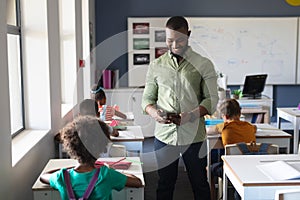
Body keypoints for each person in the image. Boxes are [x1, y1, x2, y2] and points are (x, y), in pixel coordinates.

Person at [141, 16, 219, 200]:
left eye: (180, 40)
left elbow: (212, 99)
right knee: (164, 185)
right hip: (164, 136)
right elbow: (147, 99)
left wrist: (191, 116)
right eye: (170, 40)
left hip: (194, 136)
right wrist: (154, 113)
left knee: (199, 183)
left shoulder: (203, 64)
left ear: (189, 35)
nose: (174, 45)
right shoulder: (156, 66)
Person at [40, 115, 143, 200]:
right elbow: (137, 182)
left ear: (71, 147)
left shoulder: (61, 177)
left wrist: (68, 169)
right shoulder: (106, 174)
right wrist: (114, 170)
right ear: (102, 146)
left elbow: (44, 176)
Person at [207, 98, 257, 200]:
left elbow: (208, 131)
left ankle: (212, 197)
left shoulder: (224, 126)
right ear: (239, 113)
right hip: (250, 166)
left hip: (231, 168)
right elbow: (255, 128)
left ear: (224, 116)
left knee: (208, 169)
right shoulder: (249, 126)